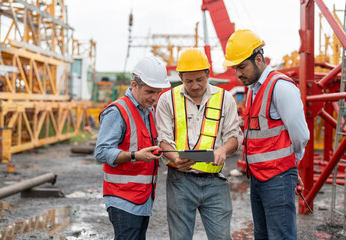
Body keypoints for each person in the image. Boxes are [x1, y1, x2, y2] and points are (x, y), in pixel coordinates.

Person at [223, 29, 310, 240]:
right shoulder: (254, 90)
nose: (238, 74)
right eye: (235, 68)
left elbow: (301, 135)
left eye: (242, 66)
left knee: (280, 236)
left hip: (278, 177)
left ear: (259, 59)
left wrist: (291, 164)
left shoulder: (281, 87)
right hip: (258, 178)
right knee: (261, 235)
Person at [156, 48, 243, 240]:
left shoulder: (225, 98)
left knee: (221, 237)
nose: (195, 86)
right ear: (180, 76)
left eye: (200, 80)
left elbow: (235, 136)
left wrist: (223, 149)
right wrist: (174, 158)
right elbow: (163, 139)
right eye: (188, 81)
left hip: (215, 180)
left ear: (208, 74)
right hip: (180, 180)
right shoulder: (167, 99)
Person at [94, 55, 171, 240]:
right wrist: (135, 155)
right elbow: (101, 152)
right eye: (150, 92)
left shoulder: (149, 111)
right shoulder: (117, 111)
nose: (154, 97)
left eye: (158, 92)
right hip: (122, 198)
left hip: (143, 197)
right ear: (134, 85)